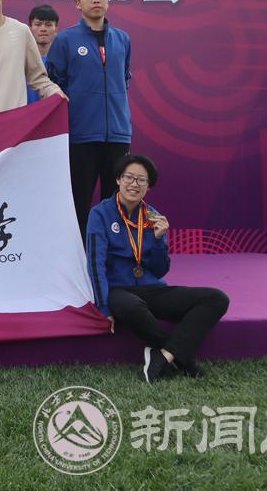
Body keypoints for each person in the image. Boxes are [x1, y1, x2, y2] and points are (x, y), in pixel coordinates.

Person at [87, 154, 230, 382]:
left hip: (151, 289)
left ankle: (163, 356)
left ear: (149, 186)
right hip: (118, 290)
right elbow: (96, 263)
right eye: (129, 177)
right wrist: (103, 307)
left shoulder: (153, 217)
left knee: (216, 299)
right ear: (118, 180)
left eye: (141, 180)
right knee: (132, 307)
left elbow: (160, 270)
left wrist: (158, 239)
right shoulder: (100, 214)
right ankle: (184, 360)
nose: (134, 184)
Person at [45, 0, 133, 239]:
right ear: (77, 3)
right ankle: (78, 254)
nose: (96, 0)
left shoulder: (122, 39)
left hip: (117, 134)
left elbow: (124, 78)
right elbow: (55, 83)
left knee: (116, 201)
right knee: (79, 200)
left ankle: (112, 252)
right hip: (81, 133)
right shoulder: (66, 40)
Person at [25, 5, 59, 105]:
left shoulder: (63, 61)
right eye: (38, 24)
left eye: (48, 25)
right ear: (30, 29)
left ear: (56, 29)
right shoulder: (21, 59)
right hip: (24, 112)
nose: (43, 29)